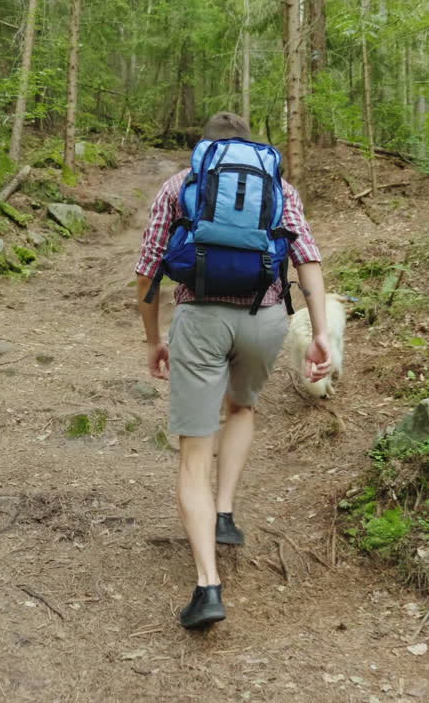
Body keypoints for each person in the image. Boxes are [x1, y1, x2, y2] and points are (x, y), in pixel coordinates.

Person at [134, 112, 333, 630]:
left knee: (193, 451)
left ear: (205, 148)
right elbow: (306, 257)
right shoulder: (279, 187)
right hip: (265, 318)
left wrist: (155, 339)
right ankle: (225, 512)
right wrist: (319, 332)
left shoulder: (180, 184)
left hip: (199, 319)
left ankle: (207, 586)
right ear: (249, 147)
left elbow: (149, 268)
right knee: (242, 406)